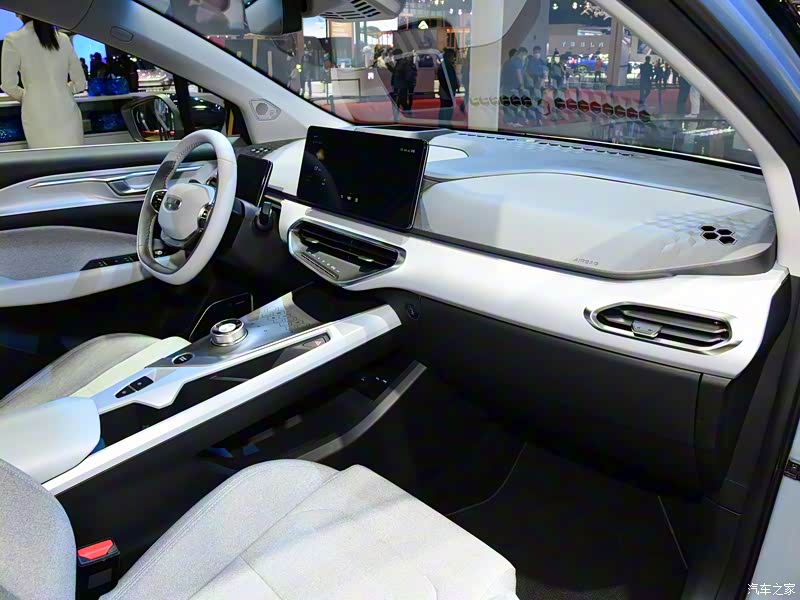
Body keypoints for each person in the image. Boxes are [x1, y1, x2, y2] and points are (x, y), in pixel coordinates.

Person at [0, 17, 87, 149]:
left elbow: (8, 85)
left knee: (45, 159)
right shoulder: (63, 39)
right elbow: (80, 83)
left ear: (20, 13)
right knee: (74, 158)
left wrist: (28, 96)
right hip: (67, 111)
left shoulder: (13, 39)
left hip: (36, 114)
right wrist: (63, 90)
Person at [390, 48, 415, 120]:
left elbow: (407, 75)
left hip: (401, 86)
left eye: (395, 55)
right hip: (399, 85)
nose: (394, 57)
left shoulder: (403, 63)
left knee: (400, 101)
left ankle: (399, 116)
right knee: (400, 101)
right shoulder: (399, 63)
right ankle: (401, 115)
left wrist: (405, 83)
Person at [437, 48, 460, 125]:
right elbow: (447, 80)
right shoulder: (447, 66)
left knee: (444, 107)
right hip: (447, 90)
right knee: (447, 107)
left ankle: (443, 123)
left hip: (446, 90)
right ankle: (445, 123)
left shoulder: (444, 65)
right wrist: (451, 89)